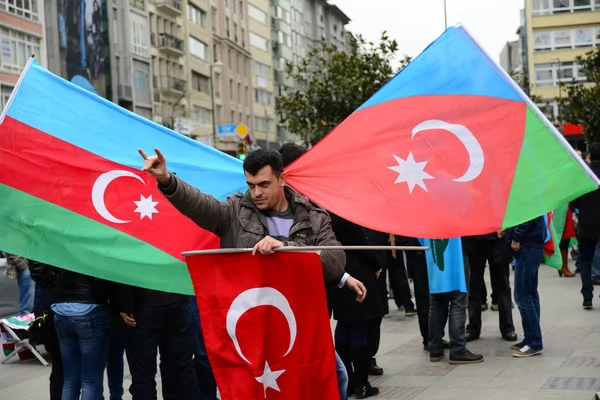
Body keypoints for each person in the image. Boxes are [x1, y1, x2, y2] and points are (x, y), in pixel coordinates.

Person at [139, 147, 365, 397]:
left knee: (334, 378)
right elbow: (199, 205)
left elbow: (335, 262)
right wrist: (166, 179)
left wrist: (287, 248)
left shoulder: (314, 217)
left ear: (282, 179)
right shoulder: (233, 212)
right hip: (252, 328)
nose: (256, 192)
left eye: (264, 184)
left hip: (300, 325)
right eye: (251, 184)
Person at [115, 285, 200, 400]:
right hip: (176, 297)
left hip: (142, 302)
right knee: (182, 369)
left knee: (143, 375)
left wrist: (125, 304)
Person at [52, 269, 111, 399]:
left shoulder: (67, 249)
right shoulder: (97, 249)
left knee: (70, 380)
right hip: (89, 307)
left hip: (62, 308)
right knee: (90, 381)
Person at [428, 238, 483, 365]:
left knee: (437, 301)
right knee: (458, 300)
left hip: (432, 247)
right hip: (456, 250)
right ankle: (458, 349)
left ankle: (435, 348)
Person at [464, 232, 517, 343]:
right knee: (474, 287)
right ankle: (473, 328)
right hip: (474, 239)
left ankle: (507, 327)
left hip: (497, 239)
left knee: (503, 287)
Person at [506, 215, 547, 357]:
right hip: (531, 246)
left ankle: (534, 342)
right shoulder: (531, 193)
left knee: (523, 297)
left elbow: (527, 216)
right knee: (530, 294)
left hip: (527, 247)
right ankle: (530, 338)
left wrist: (516, 237)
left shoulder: (525, 194)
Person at [572, 142, 600, 309]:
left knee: (585, 259)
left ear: (590, 156)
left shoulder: (584, 175)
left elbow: (574, 200)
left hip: (586, 223)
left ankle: (587, 295)